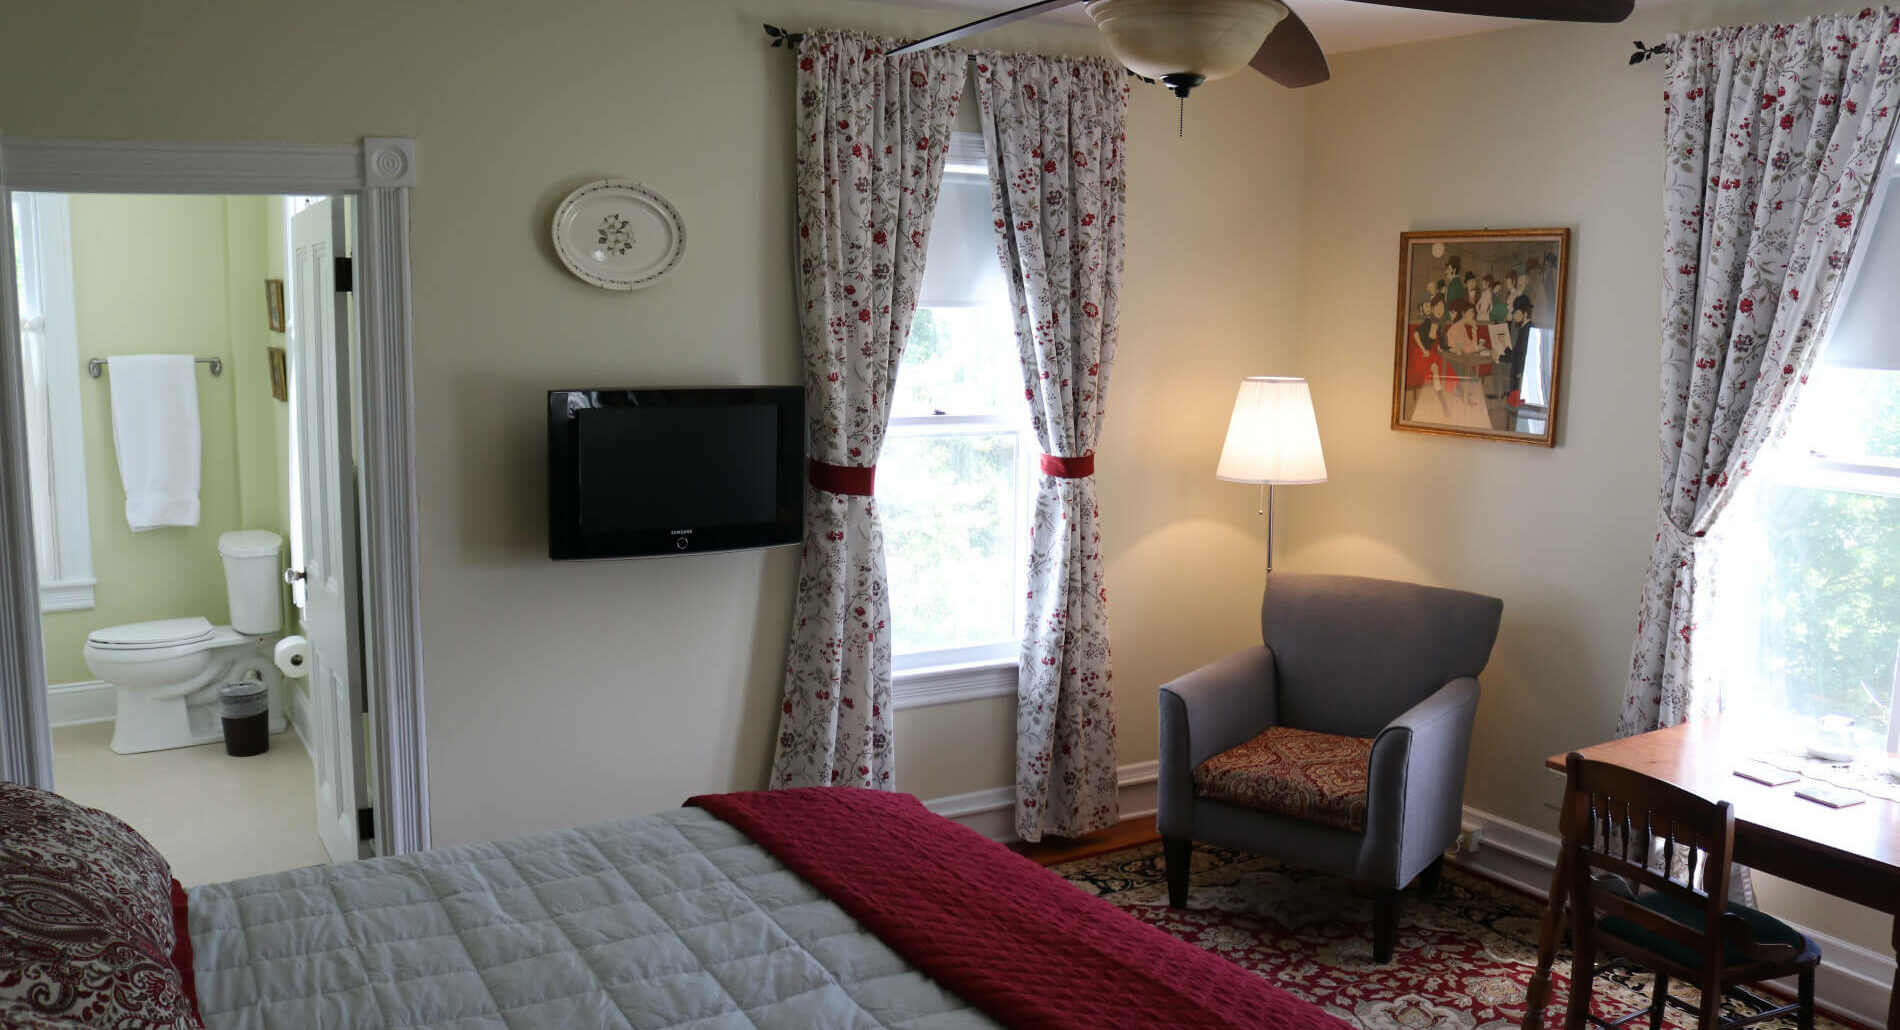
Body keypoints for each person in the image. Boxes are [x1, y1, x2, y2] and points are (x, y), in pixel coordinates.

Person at [1502, 294, 1535, 408]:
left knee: (1516, 407)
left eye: (1517, 314)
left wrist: (1503, 348)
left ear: (1525, 314)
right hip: (1519, 376)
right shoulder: (1525, 329)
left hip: (1520, 378)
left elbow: (1517, 356)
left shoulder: (1527, 330)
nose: (1514, 317)